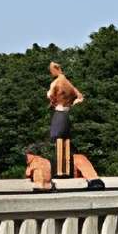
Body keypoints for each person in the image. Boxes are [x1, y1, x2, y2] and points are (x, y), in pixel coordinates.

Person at [41, 61, 104, 191]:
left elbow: (50, 96)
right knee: (63, 141)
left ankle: (61, 171)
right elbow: (80, 97)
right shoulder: (66, 82)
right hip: (64, 114)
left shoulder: (57, 82)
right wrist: (71, 103)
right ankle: (61, 172)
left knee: (61, 141)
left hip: (60, 113)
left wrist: (56, 101)